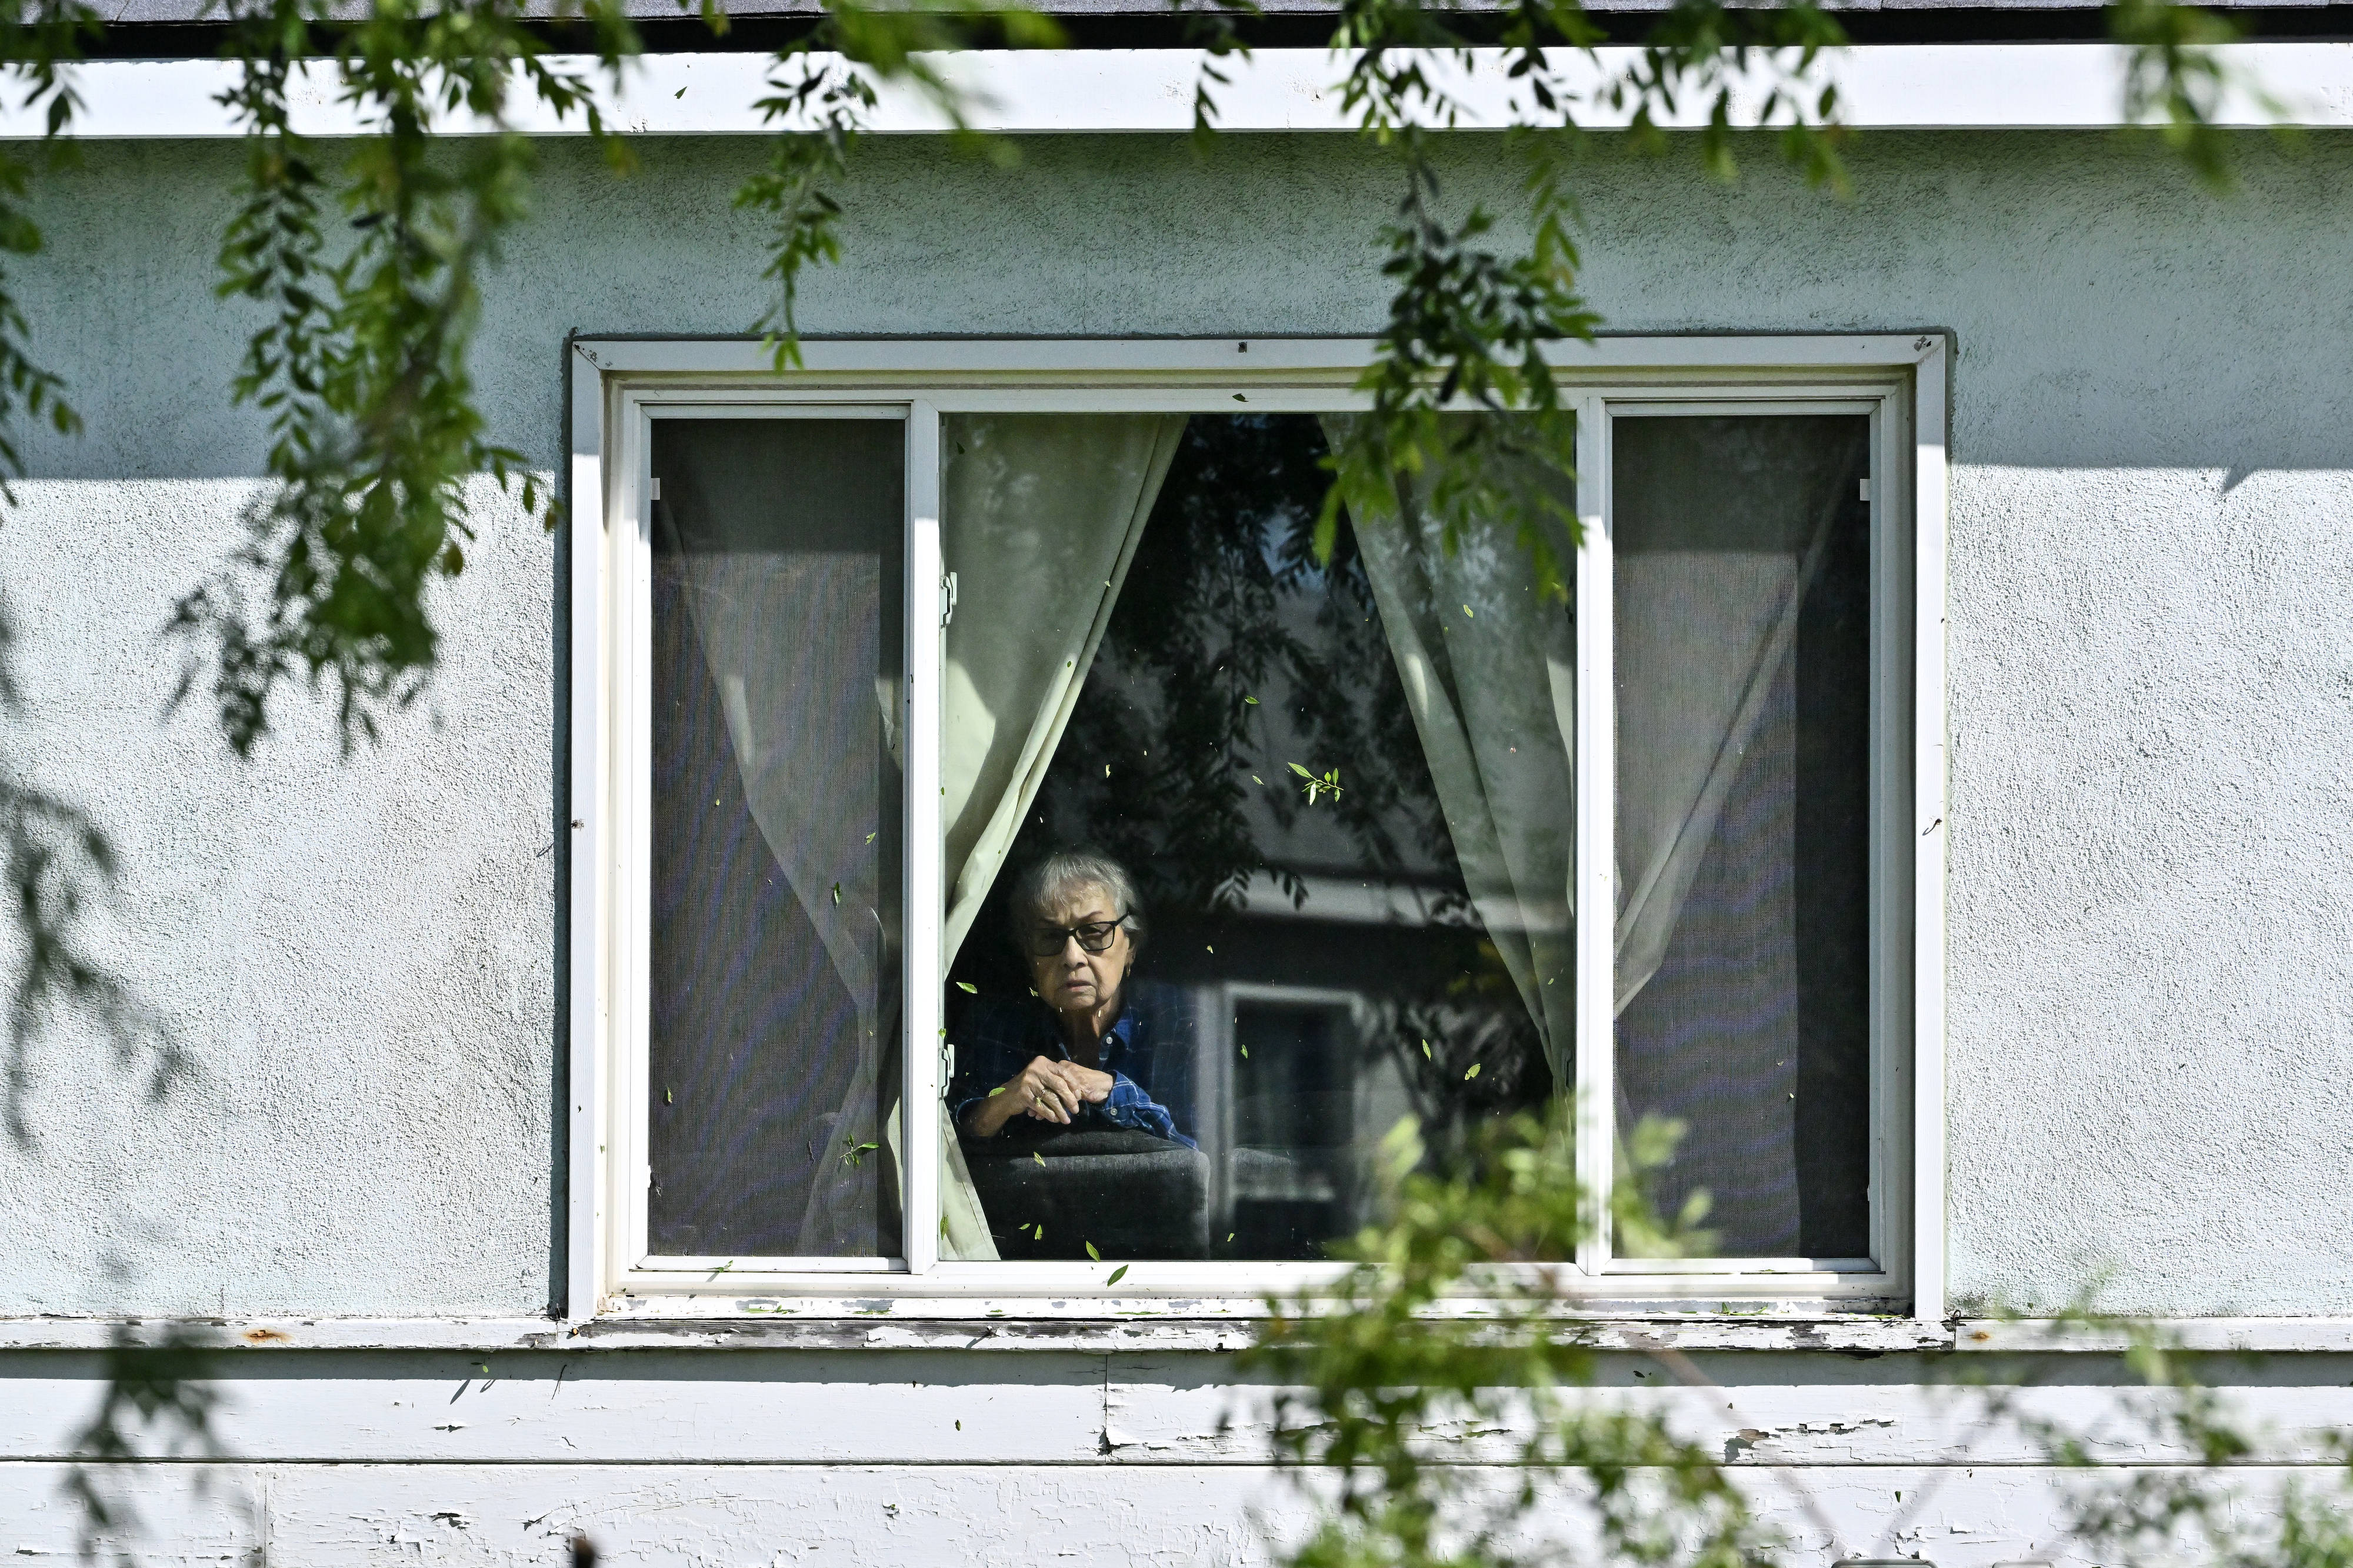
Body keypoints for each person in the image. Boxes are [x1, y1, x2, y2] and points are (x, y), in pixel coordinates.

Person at [949, 850, 1196, 1149]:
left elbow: (1204, 1160)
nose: (1071, 957)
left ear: (1130, 946)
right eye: (1050, 937)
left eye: (1093, 932)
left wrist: (1112, 1091)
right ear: (1030, 957)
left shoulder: (1179, 1022)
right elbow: (942, 1149)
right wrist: (1002, 1102)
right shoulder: (996, 1024)